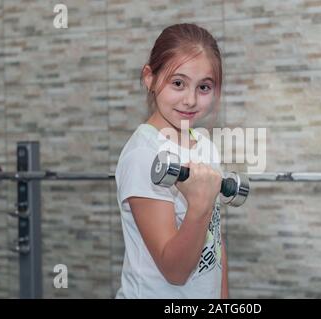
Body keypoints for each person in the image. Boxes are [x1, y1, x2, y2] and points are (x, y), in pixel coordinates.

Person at [115, 23, 228, 299]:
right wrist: (199, 205)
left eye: (204, 87)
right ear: (149, 78)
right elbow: (175, 272)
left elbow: (216, 245)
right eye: (178, 83)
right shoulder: (144, 155)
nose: (190, 100)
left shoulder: (204, 146)